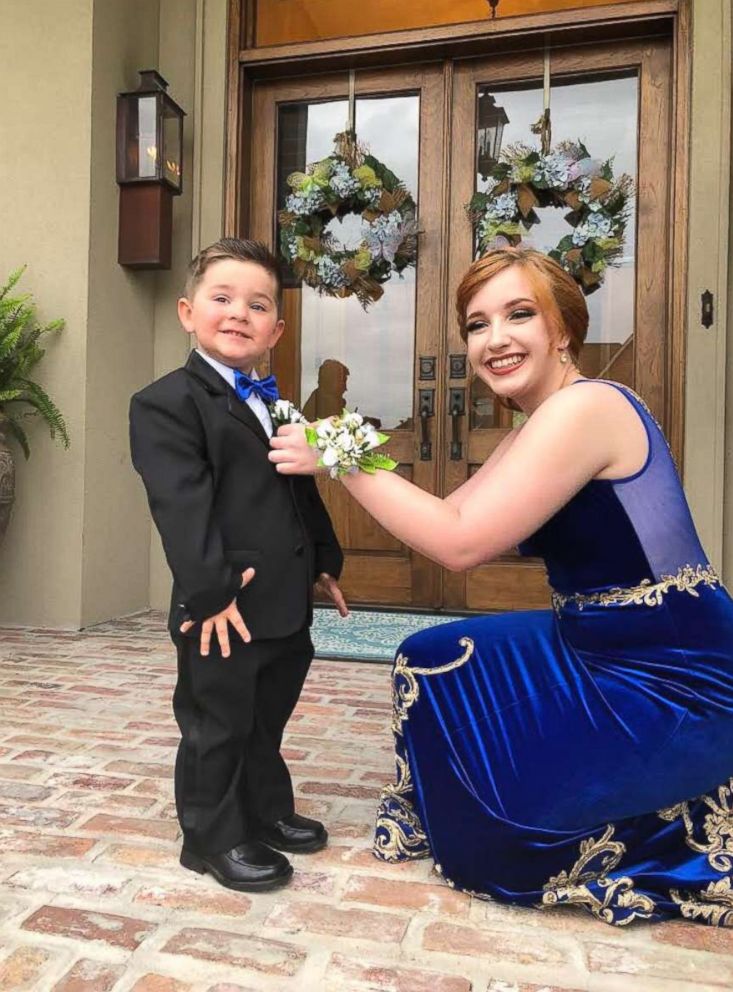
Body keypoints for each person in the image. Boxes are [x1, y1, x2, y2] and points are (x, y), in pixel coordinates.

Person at [269, 247, 733, 926]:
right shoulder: (534, 427)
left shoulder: (588, 407)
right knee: (430, 658)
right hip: (589, 641)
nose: (495, 339)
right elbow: (448, 516)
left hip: (671, 670)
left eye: (519, 314)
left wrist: (337, 456)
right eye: (477, 324)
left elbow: (460, 545)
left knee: (502, 838)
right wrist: (345, 451)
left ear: (561, 330)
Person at [130, 238, 347, 893]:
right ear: (187, 312)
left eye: (256, 305)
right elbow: (181, 505)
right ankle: (212, 836)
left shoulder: (275, 403)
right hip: (222, 604)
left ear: (275, 330)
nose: (238, 314)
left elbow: (299, 489)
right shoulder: (167, 402)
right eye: (221, 299)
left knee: (266, 715)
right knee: (217, 720)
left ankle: (265, 809)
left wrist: (323, 561)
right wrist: (210, 592)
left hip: (284, 596)